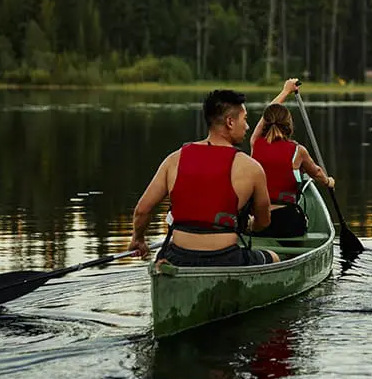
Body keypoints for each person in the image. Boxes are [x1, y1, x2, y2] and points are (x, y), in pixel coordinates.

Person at [127, 89, 280, 267]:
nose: (247, 126)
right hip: (226, 259)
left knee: (164, 259)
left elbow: (142, 210)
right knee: (273, 257)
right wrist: (247, 226)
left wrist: (138, 239)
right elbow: (264, 221)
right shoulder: (252, 168)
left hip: (178, 258)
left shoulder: (174, 160)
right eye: (244, 119)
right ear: (230, 122)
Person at [249, 78, 335, 238]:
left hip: (259, 219)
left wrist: (285, 91)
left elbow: (266, 115)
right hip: (286, 220)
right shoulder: (298, 151)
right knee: (299, 219)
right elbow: (316, 173)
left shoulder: (255, 143)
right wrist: (329, 182)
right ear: (289, 125)